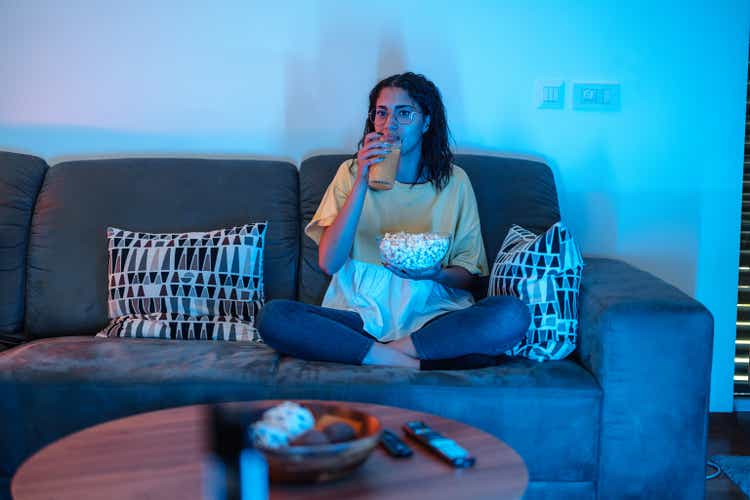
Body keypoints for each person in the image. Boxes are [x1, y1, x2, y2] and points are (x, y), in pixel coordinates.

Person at [258, 72, 530, 369]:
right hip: (361, 312)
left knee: (511, 314)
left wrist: (435, 274)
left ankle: (382, 352)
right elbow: (329, 263)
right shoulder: (350, 173)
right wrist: (362, 178)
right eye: (382, 113)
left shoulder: (455, 182)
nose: (390, 125)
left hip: (432, 311)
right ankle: (410, 361)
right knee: (274, 317)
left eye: (404, 113)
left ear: (426, 122)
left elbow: (469, 275)